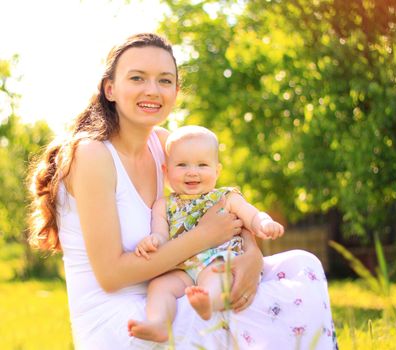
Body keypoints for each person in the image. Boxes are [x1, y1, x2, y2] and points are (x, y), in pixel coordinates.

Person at [28, 33, 338, 349]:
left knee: (302, 265)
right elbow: (111, 275)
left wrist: (252, 253)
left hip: (178, 289)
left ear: (176, 91)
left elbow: (218, 205)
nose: (152, 90)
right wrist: (202, 237)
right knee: (267, 309)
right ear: (110, 89)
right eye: (137, 78)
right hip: (129, 321)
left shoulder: (161, 144)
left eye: (164, 81)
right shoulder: (92, 155)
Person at [128, 125, 285, 341]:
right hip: (183, 267)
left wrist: (264, 223)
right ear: (166, 171)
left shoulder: (225, 197)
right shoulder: (163, 205)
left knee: (215, 276)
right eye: (182, 165)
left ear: (217, 170)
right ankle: (158, 324)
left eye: (202, 165)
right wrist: (153, 240)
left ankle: (209, 303)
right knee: (159, 286)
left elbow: (251, 215)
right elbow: (161, 234)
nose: (192, 171)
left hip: (217, 260)